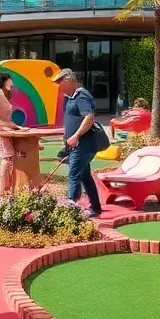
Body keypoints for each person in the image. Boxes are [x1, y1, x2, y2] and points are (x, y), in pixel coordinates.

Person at [53, 69, 102, 217]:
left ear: (68, 81)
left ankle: (71, 211)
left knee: (74, 174)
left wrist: (75, 136)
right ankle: (96, 208)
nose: (58, 86)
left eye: (59, 82)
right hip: (78, 145)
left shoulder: (81, 96)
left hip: (83, 144)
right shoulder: (71, 97)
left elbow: (89, 117)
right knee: (84, 176)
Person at [0, 71, 26, 196]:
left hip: (4, 130)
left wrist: (13, 127)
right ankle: (1, 190)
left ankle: (7, 186)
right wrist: (11, 126)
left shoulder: (4, 94)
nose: (12, 82)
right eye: (10, 79)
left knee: (10, 157)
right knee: (8, 157)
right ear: (4, 81)